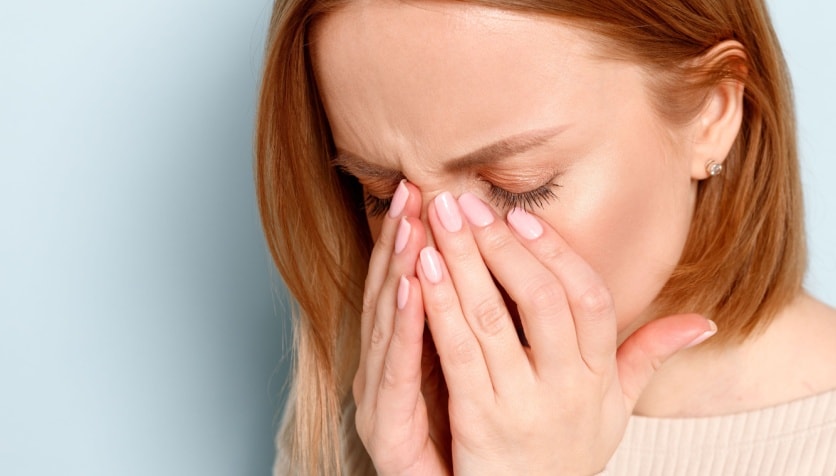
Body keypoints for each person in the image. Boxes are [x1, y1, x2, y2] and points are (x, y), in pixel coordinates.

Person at [255, 0, 836, 474]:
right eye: (382, 192)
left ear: (712, 113)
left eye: (516, 188)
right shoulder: (372, 402)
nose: (443, 260)